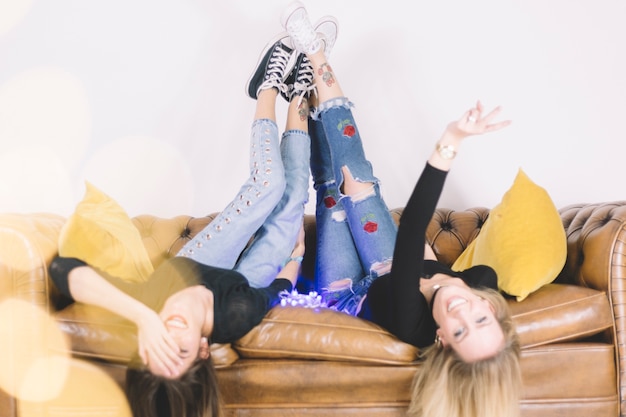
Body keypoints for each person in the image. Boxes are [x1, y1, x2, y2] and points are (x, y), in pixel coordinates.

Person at [48, 19, 337, 417]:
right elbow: (274, 293)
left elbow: (63, 269)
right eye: (179, 346)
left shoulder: (147, 306)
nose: (172, 326)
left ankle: (267, 85)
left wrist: (142, 318)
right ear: (203, 350)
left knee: (267, 188)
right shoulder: (236, 316)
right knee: (289, 208)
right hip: (242, 284)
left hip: (197, 265)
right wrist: (294, 256)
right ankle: (300, 92)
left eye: (157, 339)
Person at [279, 2, 522, 417]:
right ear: (491, 309)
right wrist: (427, 263)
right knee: (355, 177)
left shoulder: (416, 326)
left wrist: (451, 140)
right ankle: (314, 52)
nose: (463, 312)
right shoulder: (484, 279)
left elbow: (411, 234)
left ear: (443, 339)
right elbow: (416, 256)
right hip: (389, 267)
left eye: (460, 331)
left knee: (331, 194)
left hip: (347, 295)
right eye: (480, 321)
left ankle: (301, 90)